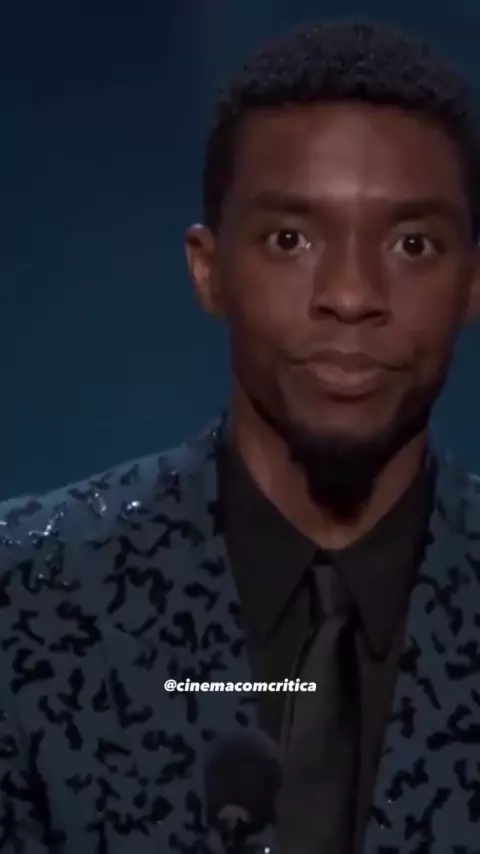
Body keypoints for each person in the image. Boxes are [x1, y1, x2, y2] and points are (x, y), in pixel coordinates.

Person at [1, 16, 480, 854]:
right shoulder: (24, 596)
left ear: (472, 284)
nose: (351, 294)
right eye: (291, 239)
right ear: (208, 269)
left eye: (413, 243)